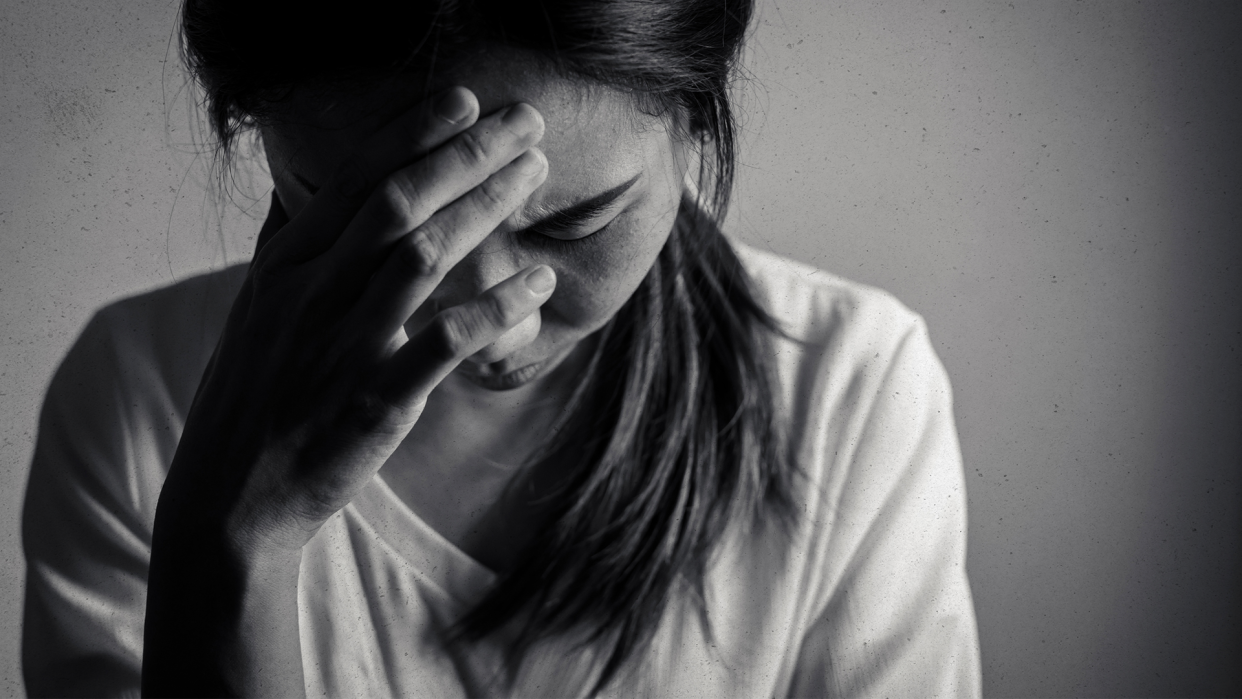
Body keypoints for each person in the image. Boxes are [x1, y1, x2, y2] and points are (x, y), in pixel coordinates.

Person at [21, 0, 982, 696]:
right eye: (369, 220)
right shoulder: (136, 392)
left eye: (575, 225)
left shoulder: (851, 385)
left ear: (697, 123)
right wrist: (233, 548)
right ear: (259, 142)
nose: (493, 322)